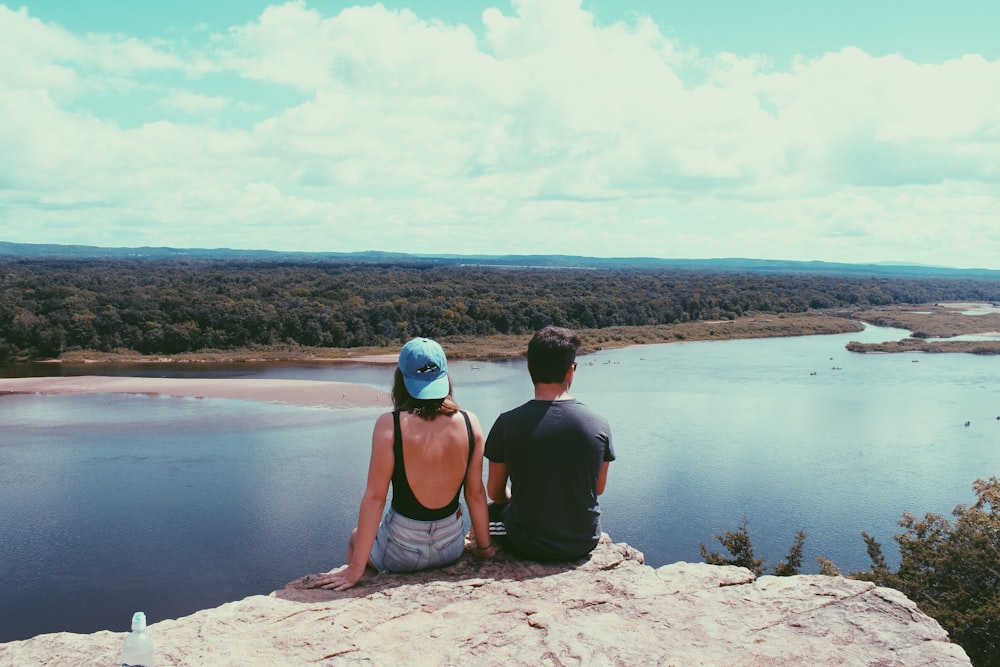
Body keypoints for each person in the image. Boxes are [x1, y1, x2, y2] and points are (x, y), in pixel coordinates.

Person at [306, 337, 496, 591]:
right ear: (445, 378)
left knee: (355, 537)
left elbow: (375, 498)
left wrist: (354, 569)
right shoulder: (470, 421)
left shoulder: (390, 425)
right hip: (450, 547)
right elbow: (475, 493)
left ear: (402, 381)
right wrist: (484, 548)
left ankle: (356, 588)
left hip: (402, 552)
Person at [485, 325, 615, 561]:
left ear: (529, 368)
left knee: (490, 511)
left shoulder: (507, 423)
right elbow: (597, 489)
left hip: (525, 544)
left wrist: (519, 500)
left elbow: (495, 492)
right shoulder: (598, 423)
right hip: (583, 541)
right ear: (571, 370)